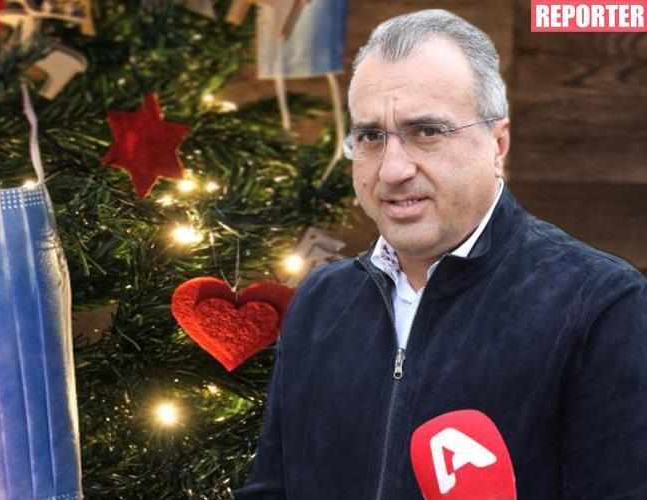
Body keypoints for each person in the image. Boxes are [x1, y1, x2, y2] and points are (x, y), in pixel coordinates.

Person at [236, 9, 647, 498]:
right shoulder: (321, 300)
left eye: (427, 131)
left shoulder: (602, 305)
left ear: (497, 144)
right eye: (370, 136)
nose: (392, 170)